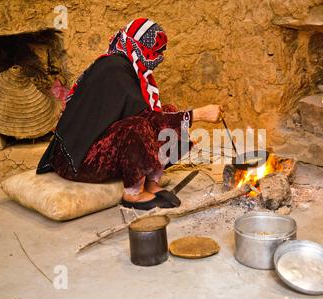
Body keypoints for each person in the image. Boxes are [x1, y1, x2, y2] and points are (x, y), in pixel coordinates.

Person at [37, 18, 222, 210]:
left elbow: (152, 115)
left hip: (98, 146)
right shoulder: (114, 70)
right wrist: (198, 114)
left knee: (167, 112)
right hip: (77, 160)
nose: (160, 58)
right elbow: (146, 119)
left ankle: (151, 183)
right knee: (136, 127)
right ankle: (134, 193)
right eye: (157, 51)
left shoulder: (126, 66)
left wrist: (181, 119)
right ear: (140, 47)